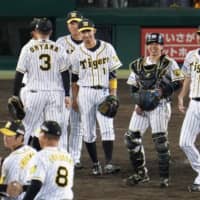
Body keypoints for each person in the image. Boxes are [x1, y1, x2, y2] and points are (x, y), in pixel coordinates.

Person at [124, 33, 184, 187]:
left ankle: (164, 178)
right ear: (147, 46)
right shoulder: (138, 64)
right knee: (131, 139)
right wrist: (138, 102)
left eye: (157, 44)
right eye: (150, 44)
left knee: (160, 142)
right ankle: (141, 173)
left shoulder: (170, 63)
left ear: (162, 46)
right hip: (142, 107)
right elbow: (133, 86)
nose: (153, 47)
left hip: (161, 106)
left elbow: (179, 82)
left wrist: (162, 91)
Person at [71, 18, 122, 175]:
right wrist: (74, 98)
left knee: (107, 128)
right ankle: (95, 164)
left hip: (103, 92)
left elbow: (113, 73)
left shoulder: (107, 48)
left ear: (94, 31)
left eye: (88, 31)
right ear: (80, 33)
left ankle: (108, 163)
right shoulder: (76, 53)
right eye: (83, 32)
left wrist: (113, 94)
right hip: (85, 92)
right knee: (88, 130)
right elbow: (74, 79)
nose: (86, 34)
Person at [12, 18, 71, 146]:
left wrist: (15, 95)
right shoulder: (59, 48)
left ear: (37, 31)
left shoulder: (27, 48)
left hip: (34, 93)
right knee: (54, 129)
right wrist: (67, 95)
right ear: (50, 31)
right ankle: (58, 161)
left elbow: (19, 74)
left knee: (26, 128)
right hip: (56, 93)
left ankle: (22, 159)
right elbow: (65, 73)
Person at [56, 11, 84, 169]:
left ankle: (75, 157)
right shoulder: (60, 42)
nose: (74, 26)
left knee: (77, 124)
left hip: (81, 88)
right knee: (62, 122)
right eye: (71, 23)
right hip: (63, 88)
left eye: (77, 22)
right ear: (67, 25)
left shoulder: (88, 42)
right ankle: (62, 155)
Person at [21, 120, 74, 200]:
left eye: (40, 133)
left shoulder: (40, 156)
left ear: (44, 136)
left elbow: (36, 184)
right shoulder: (68, 156)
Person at [178, 26, 200, 192]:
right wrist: (181, 96)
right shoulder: (191, 55)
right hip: (194, 103)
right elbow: (187, 77)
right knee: (184, 142)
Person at [0, 120, 36, 199]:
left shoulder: (10, 161)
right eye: (5, 134)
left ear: (20, 138)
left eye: (9, 135)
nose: (5, 138)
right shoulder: (32, 151)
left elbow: (10, 192)